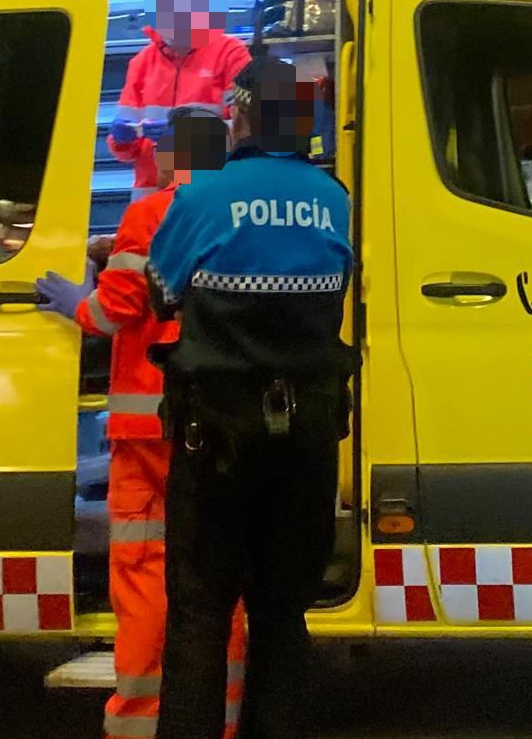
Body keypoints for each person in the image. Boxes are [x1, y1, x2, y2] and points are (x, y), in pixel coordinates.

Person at [147, 60, 356, 739]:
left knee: (201, 614)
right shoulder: (334, 198)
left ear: (239, 117)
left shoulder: (205, 195)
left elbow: (162, 292)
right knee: (281, 614)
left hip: (216, 439)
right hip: (307, 440)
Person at [37, 109, 247, 739]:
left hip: (149, 428)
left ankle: (140, 721)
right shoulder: (244, 214)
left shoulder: (152, 211)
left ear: (172, 155)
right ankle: (224, 716)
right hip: (221, 421)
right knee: (220, 574)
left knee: (144, 573)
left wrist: (78, 299)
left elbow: (113, 312)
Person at [110, 0, 252, 201]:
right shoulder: (141, 62)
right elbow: (125, 149)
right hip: (152, 197)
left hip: (210, 193)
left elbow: (246, 129)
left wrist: (182, 135)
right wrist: (121, 139)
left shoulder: (231, 53)